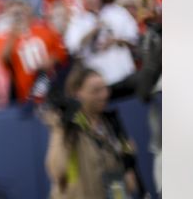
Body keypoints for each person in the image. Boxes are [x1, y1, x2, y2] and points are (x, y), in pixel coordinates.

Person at [41, 66, 142, 199]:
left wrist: (128, 163)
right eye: (95, 91)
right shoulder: (68, 126)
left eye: (105, 88)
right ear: (77, 93)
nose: (104, 95)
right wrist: (60, 128)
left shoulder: (111, 123)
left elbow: (123, 178)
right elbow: (57, 171)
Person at [63, 0, 139, 99]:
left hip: (126, 74)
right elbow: (74, 48)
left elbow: (134, 39)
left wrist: (116, 40)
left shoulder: (116, 11)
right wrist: (93, 31)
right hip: (101, 85)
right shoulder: (77, 23)